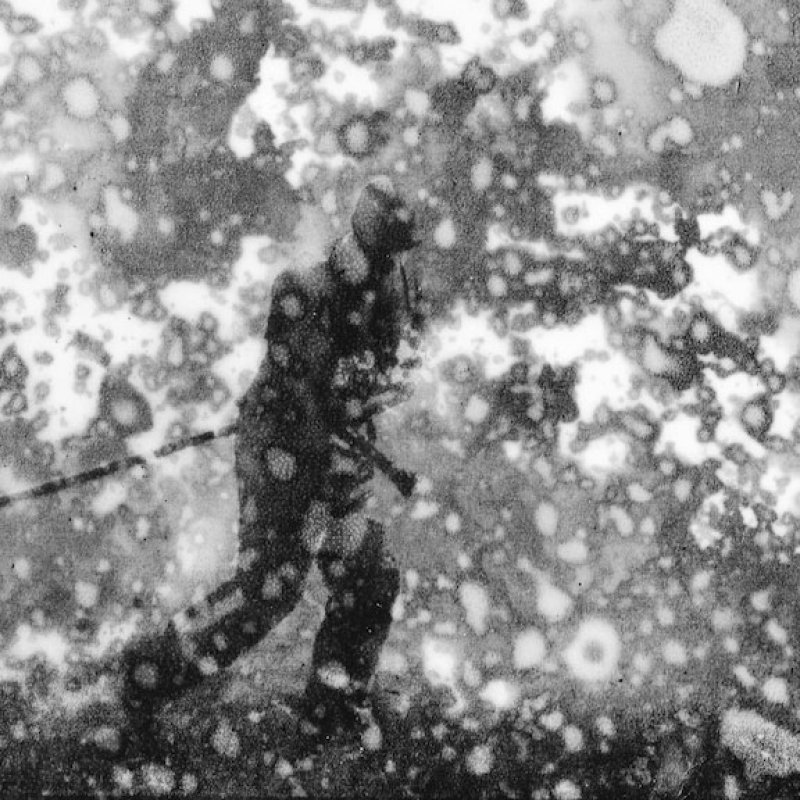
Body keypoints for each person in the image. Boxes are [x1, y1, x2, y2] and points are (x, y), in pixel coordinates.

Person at [119, 178, 419, 741]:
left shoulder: (389, 285)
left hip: (340, 462)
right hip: (285, 460)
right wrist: (318, 505)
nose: (391, 268)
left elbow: (388, 363)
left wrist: (389, 378)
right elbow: (308, 397)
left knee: (370, 578)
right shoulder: (303, 291)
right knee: (266, 593)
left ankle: (331, 709)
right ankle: (148, 672)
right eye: (385, 253)